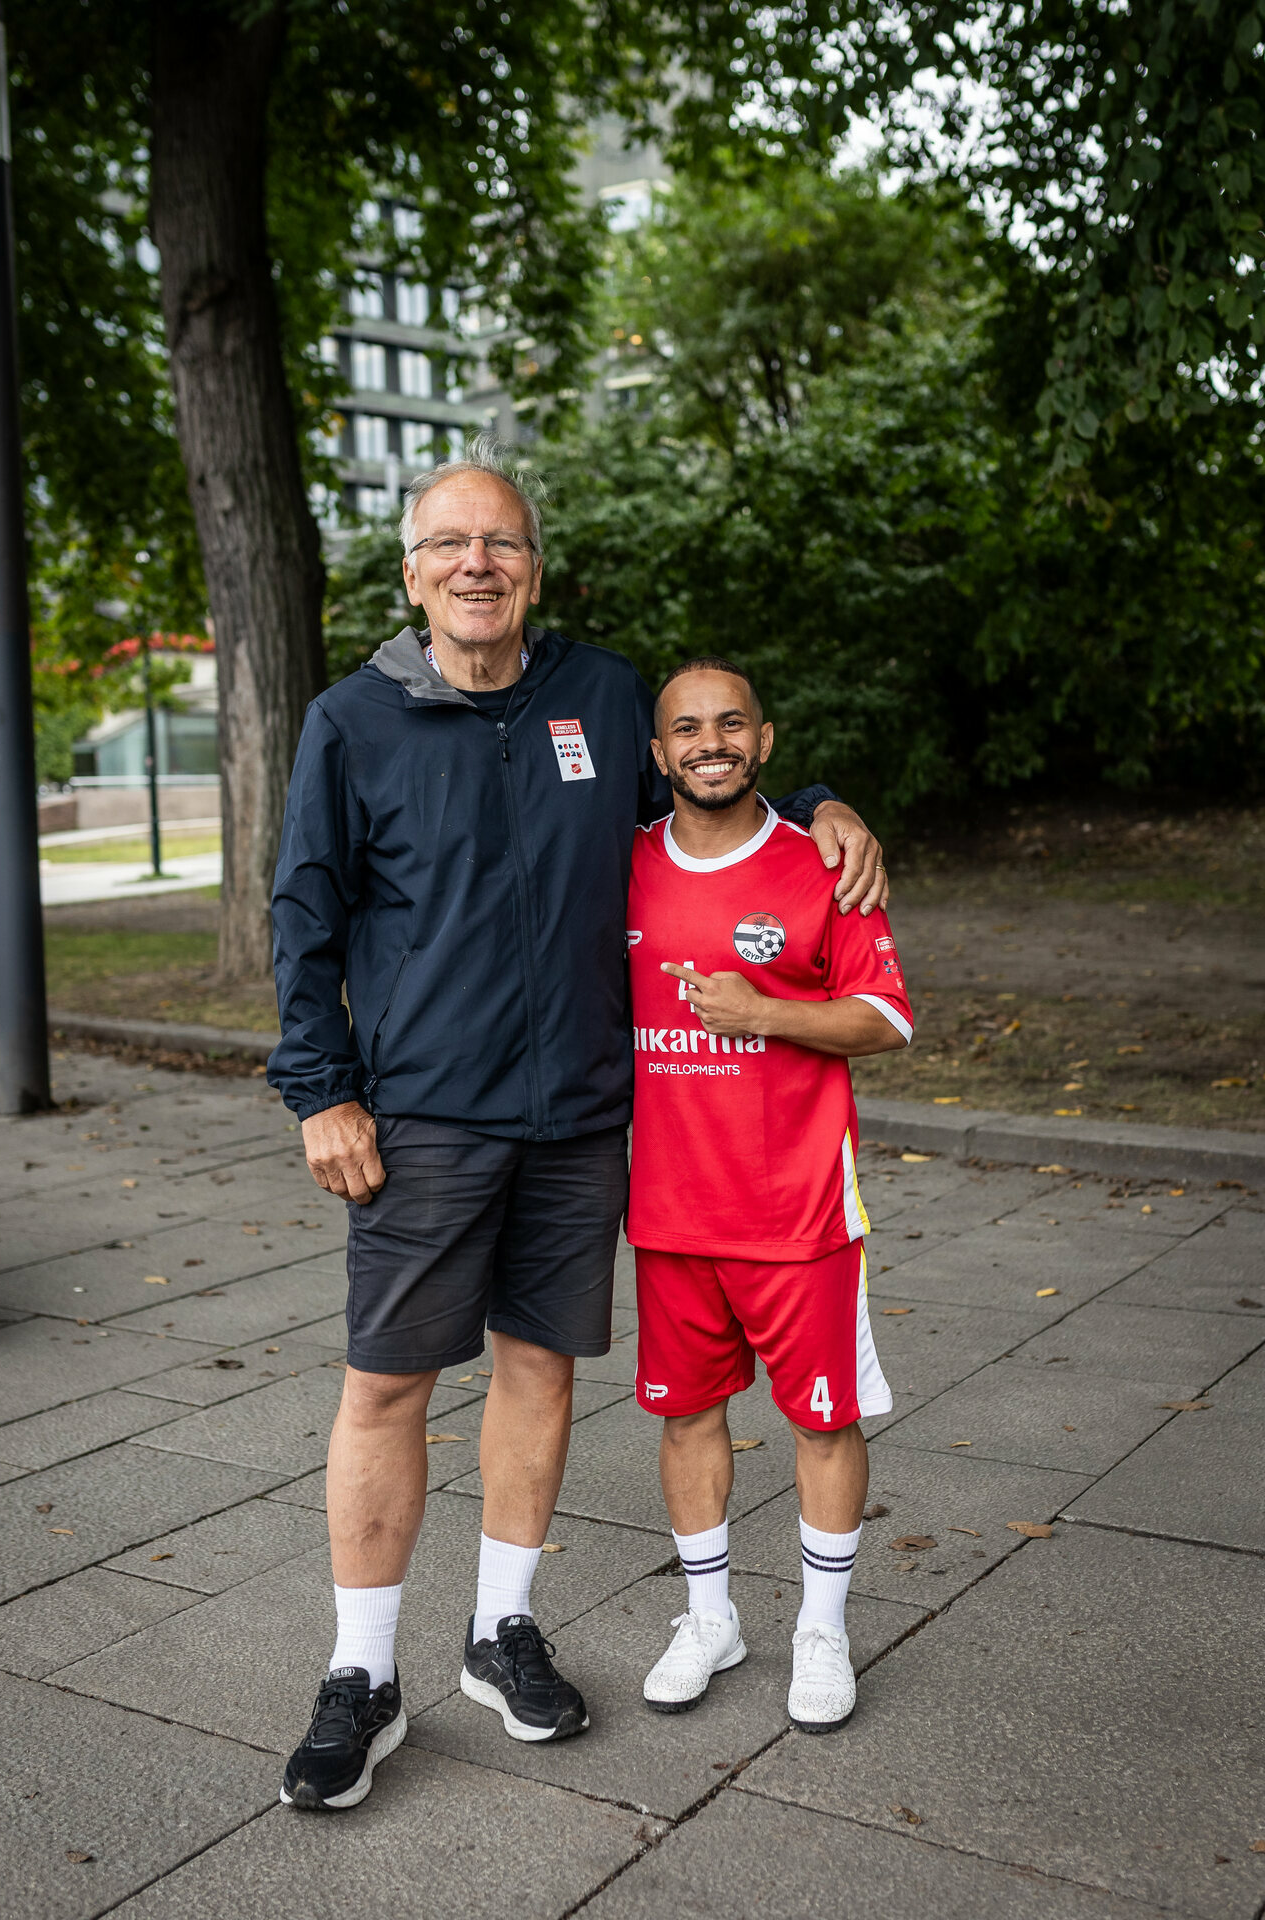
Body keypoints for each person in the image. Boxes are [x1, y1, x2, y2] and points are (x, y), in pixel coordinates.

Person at [267, 441, 889, 1810]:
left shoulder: (599, 695)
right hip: (420, 1117)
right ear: (414, 572)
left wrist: (826, 795)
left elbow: (710, 767)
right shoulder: (350, 723)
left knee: (540, 1371)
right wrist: (321, 1090)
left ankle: (502, 1631)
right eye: (450, 546)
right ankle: (361, 1677)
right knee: (388, 1385)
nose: (478, 564)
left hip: (578, 1121)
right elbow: (302, 918)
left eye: (503, 544)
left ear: (533, 568)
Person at [625, 656, 912, 1733]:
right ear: (656, 755)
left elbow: (884, 1019)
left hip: (797, 1212)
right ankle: (710, 1620)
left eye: (730, 724)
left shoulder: (820, 864)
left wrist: (768, 1012)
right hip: (666, 1210)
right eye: (687, 727)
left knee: (821, 1423)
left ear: (765, 742)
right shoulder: (622, 865)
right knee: (686, 1416)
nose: (710, 742)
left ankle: (821, 1631)